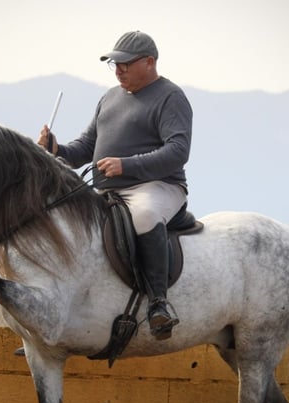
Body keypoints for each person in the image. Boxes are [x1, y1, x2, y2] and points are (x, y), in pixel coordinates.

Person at [39, 30, 193, 341]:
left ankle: (159, 305)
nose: (118, 70)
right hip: (108, 190)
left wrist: (128, 164)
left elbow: (178, 151)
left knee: (145, 215)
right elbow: (85, 147)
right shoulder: (109, 97)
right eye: (114, 64)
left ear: (149, 62)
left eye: (124, 64)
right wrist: (57, 150)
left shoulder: (170, 97)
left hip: (157, 187)